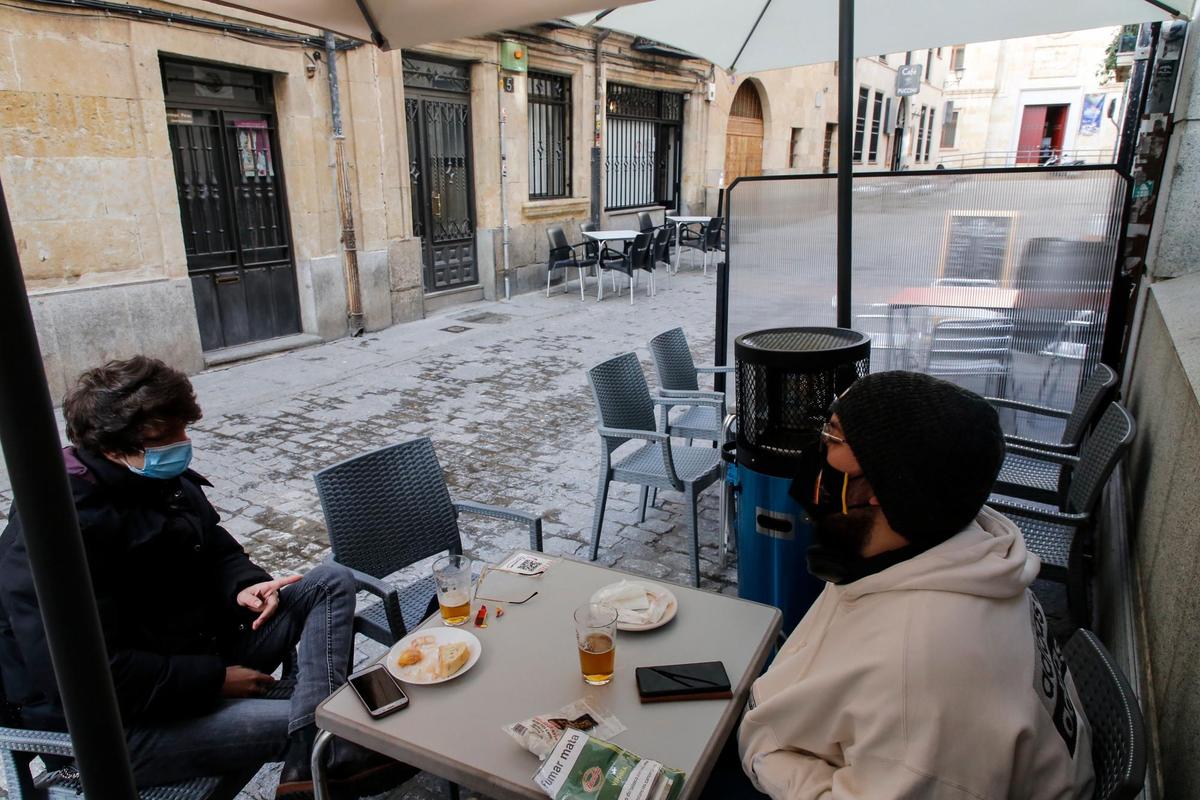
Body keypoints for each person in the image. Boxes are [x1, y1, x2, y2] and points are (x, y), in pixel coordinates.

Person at [0, 356, 413, 798]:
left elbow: (212, 543)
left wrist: (244, 583)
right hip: (123, 726)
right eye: (165, 436)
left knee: (330, 579)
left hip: (196, 649)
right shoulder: (54, 532)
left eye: (183, 427)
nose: (183, 442)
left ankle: (306, 752)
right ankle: (321, 739)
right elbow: (83, 678)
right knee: (365, 730)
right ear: (112, 447)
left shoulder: (158, 479)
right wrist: (214, 679)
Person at [737, 371, 1094, 799]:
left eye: (833, 437)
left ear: (889, 486)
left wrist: (765, 758)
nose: (818, 450)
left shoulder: (918, 678)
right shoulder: (957, 547)